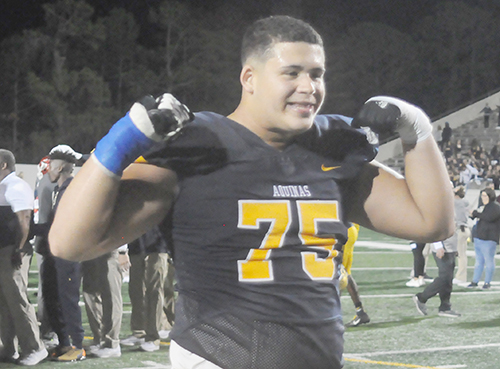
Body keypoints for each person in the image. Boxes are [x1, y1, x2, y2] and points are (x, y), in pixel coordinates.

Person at [49, 16, 454, 369]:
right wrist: (116, 148)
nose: (309, 86)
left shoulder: (330, 147)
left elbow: (431, 222)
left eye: (316, 73)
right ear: (249, 78)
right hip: (219, 357)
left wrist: (418, 131)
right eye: (291, 72)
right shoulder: (200, 145)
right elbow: (70, 242)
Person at [0, 149, 48, 365]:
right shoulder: (4, 187)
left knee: (18, 300)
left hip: (11, 250)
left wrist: (19, 249)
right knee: (4, 302)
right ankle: (9, 348)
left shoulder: (15, 185)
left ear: (3, 165)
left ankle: (35, 348)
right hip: (4, 249)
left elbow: (24, 219)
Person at [38, 148, 86, 361]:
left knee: (67, 298)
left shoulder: (72, 189)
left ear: (58, 168)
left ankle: (77, 345)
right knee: (53, 297)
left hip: (67, 253)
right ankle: (65, 343)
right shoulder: (59, 188)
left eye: (50, 166)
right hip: (55, 252)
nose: (46, 170)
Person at [121, 225, 171, 352]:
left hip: (158, 245)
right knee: (135, 290)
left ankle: (153, 337)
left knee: (154, 292)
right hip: (136, 244)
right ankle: (138, 331)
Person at [82, 248, 125, 358]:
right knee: (89, 292)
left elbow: (121, 230)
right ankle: (99, 338)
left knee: (111, 295)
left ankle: (112, 343)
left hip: (111, 248)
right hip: (91, 248)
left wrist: (122, 252)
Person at [412, 238, 460, 318]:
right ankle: (421, 297)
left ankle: (445, 307)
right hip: (443, 248)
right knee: (444, 278)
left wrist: (454, 248)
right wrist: (438, 246)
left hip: (450, 248)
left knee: (448, 279)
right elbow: (437, 230)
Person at [468, 187, 500, 289]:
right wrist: (472, 214)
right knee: (478, 261)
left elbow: (489, 217)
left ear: (490, 196)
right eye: (482, 196)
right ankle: (475, 281)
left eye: (485, 196)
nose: (483, 198)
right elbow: (480, 217)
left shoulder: (495, 207)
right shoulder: (482, 206)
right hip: (479, 236)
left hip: (489, 238)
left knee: (489, 261)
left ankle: (487, 282)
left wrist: (476, 213)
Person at [343, 223, 370, 327]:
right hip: (348, 228)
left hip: (343, 229)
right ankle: (360, 312)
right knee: (344, 272)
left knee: (338, 272)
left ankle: (330, 316)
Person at [453, 186, 471, 285]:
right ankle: (461, 276)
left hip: (460, 229)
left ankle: (461, 276)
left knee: (460, 255)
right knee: (462, 254)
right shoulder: (465, 202)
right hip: (465, 228)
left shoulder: (456, 202)